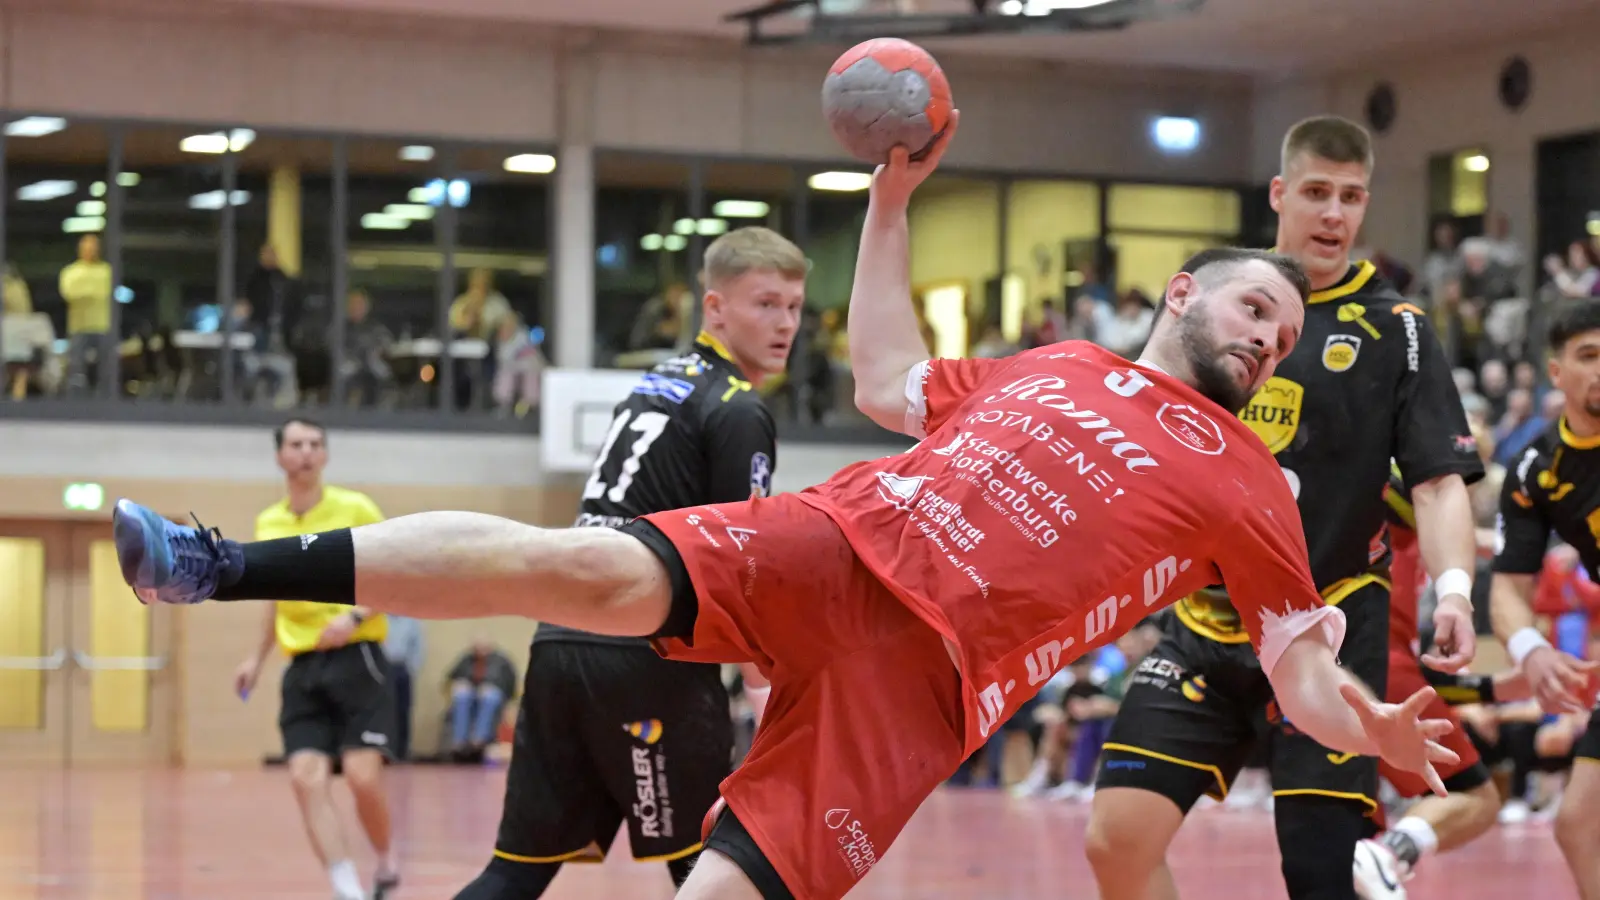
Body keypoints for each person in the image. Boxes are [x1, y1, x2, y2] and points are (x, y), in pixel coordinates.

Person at [109, 126, 1459, 900]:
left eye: (1288, 330)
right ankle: (214, 560)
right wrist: (888, 209)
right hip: (842, 536)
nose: (1274, 337)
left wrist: (1373, 724)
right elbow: (880, 376)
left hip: (929, 681)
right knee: (574, 567)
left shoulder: (1244, 479)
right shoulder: (1054, 364)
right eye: (1255, 308)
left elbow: (1300, 664)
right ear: (1183, 295)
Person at [1084, 114, 1485, 900]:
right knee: (1115, 842)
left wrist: (1457, 589)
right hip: (1205, 625)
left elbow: (1438, 483)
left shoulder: (1397, 329)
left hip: (1328, 625)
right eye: (1315, 193)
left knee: (1321, 873)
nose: (1334, 213)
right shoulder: (1219, 302)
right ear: (1279, 194)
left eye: (1351, 197)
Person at [450, 225, 803, 899]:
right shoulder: (737, 410)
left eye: (793, 306)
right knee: (717, 872)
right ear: (714, 308)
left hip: (560, 640)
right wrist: (768, 692)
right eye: (765, 303)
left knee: (513, 876)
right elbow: (740, 567)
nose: (784, 322)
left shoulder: (655, 383)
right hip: (647, 653)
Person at [232, 418, 400, 900]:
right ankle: (347, 889)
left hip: (358, 656)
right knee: (305, 778)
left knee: (363, 777)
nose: (306, 452)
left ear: (324, 455)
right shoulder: (270, 522)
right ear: (280, 456)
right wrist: (256, 659)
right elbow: (273, 599)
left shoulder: (355, 508)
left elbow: (396, 573)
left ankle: (386, 862)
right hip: (302, 668)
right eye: (295, 444)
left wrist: (353, 618)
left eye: (315, 444)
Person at [1487, 301, 1600, 900]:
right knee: (1577, 822)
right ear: (1557, 373)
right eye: (1588, 356)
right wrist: (1530, 650)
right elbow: (1509, 585)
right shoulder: (1536, 470)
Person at [1350, 465, 1504, 899]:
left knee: (1348, 828)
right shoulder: (1428, 537)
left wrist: (1492, 691)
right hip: (1382, 665)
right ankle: (1392, 854)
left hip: (1321, 668)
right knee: (1475, 796)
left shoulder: (1350, 524)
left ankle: (1374, 857)